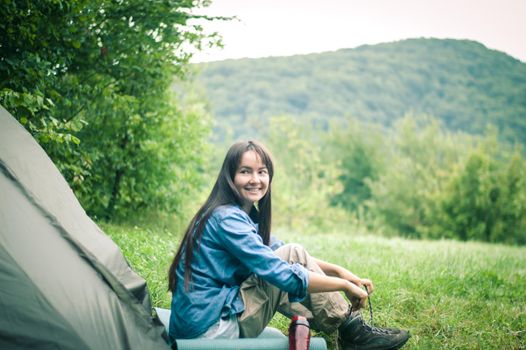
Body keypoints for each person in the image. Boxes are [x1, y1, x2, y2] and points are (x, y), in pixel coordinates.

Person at [167, 140, 409, 349]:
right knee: (290, 260)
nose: (255, 179)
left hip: (206, 320)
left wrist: (341, 271)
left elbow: (278, 252)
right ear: (230, 176)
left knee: (291, 254)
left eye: (262, 172)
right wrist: (343, 284)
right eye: (245, 171)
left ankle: (349, 330)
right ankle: (351, 331)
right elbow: (281, 270)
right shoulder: (227, 218)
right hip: (210, 330)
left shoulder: (239, 215)